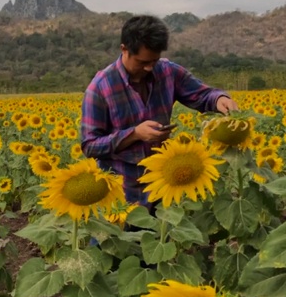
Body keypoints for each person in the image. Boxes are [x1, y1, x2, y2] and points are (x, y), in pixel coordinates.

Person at [81, 14, 239, 205]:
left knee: (161, 235)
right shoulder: (100, 88)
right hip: (120, 192)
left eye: (154, 61)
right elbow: (90, 145)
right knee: (116, 235)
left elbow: (203, 95)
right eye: (142, 62)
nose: (149, 67)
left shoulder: (168, 72)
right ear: (124, 49)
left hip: (164, 186)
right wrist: (134, 134)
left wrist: (219, 99)